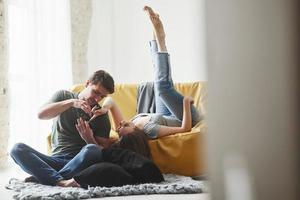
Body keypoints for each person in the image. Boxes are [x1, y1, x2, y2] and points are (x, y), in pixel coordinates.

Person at [93, 6, 202, 139]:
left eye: (118, 127)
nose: (119, 126)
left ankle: (155, 36)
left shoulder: (131, 124)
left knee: (158, 86)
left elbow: (110, 100)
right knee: (162, 89)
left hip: (168, 116)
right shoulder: (149, 130)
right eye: (122, 129)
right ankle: (161, 40)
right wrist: (185, 102)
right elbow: (185, 128)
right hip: (188, 118)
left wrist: (104, 109)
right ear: (132, 135)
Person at [10, 70, 116, 187]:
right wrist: (71, 103)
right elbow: (41, 114)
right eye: (95, 92)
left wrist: (89, 138)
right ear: (87, 83)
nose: (97, 99)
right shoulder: (64, 96)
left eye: (102, 96)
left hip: (79, 162)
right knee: (17, 149)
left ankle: (48, 178)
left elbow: (102, 152)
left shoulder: (100, 114)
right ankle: (60, 180)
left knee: (93, 149)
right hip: (54, 160)